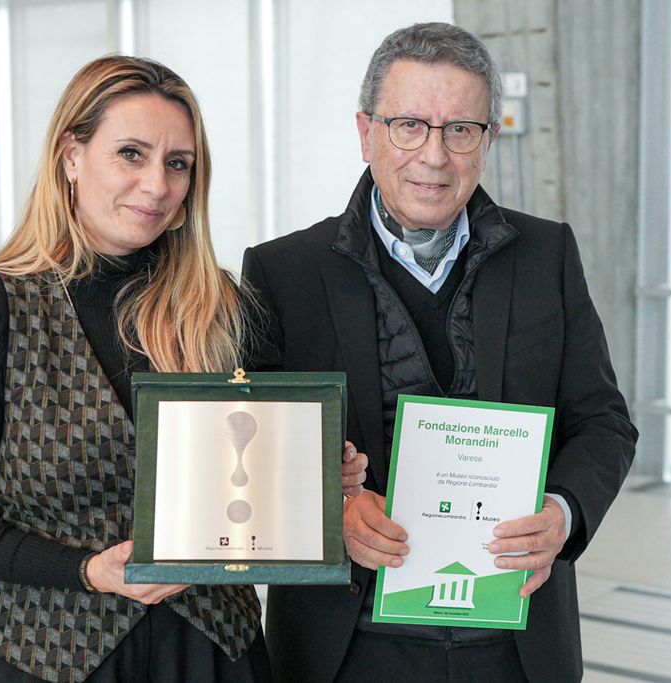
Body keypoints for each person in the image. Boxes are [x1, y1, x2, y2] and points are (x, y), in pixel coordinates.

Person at [0, 56, 366, 683]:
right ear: (71, 157)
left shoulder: (222, 308)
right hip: (45, 653)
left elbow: (257, 475)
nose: (156, 184)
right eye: (131, 154)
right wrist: (86, 570)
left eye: (178, 163)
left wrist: (316, 474)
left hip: (211, 648)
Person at [242, 22, 638, 683]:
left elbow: (603, 421)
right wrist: (332, 513)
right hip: (347, 645)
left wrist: (562, 512)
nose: (434, 154)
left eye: (460, 129)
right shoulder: (284, 272)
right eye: (409, 126)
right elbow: (250, 452)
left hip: (514, 639)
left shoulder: (547, 256)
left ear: (488, 140)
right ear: (366, 132)